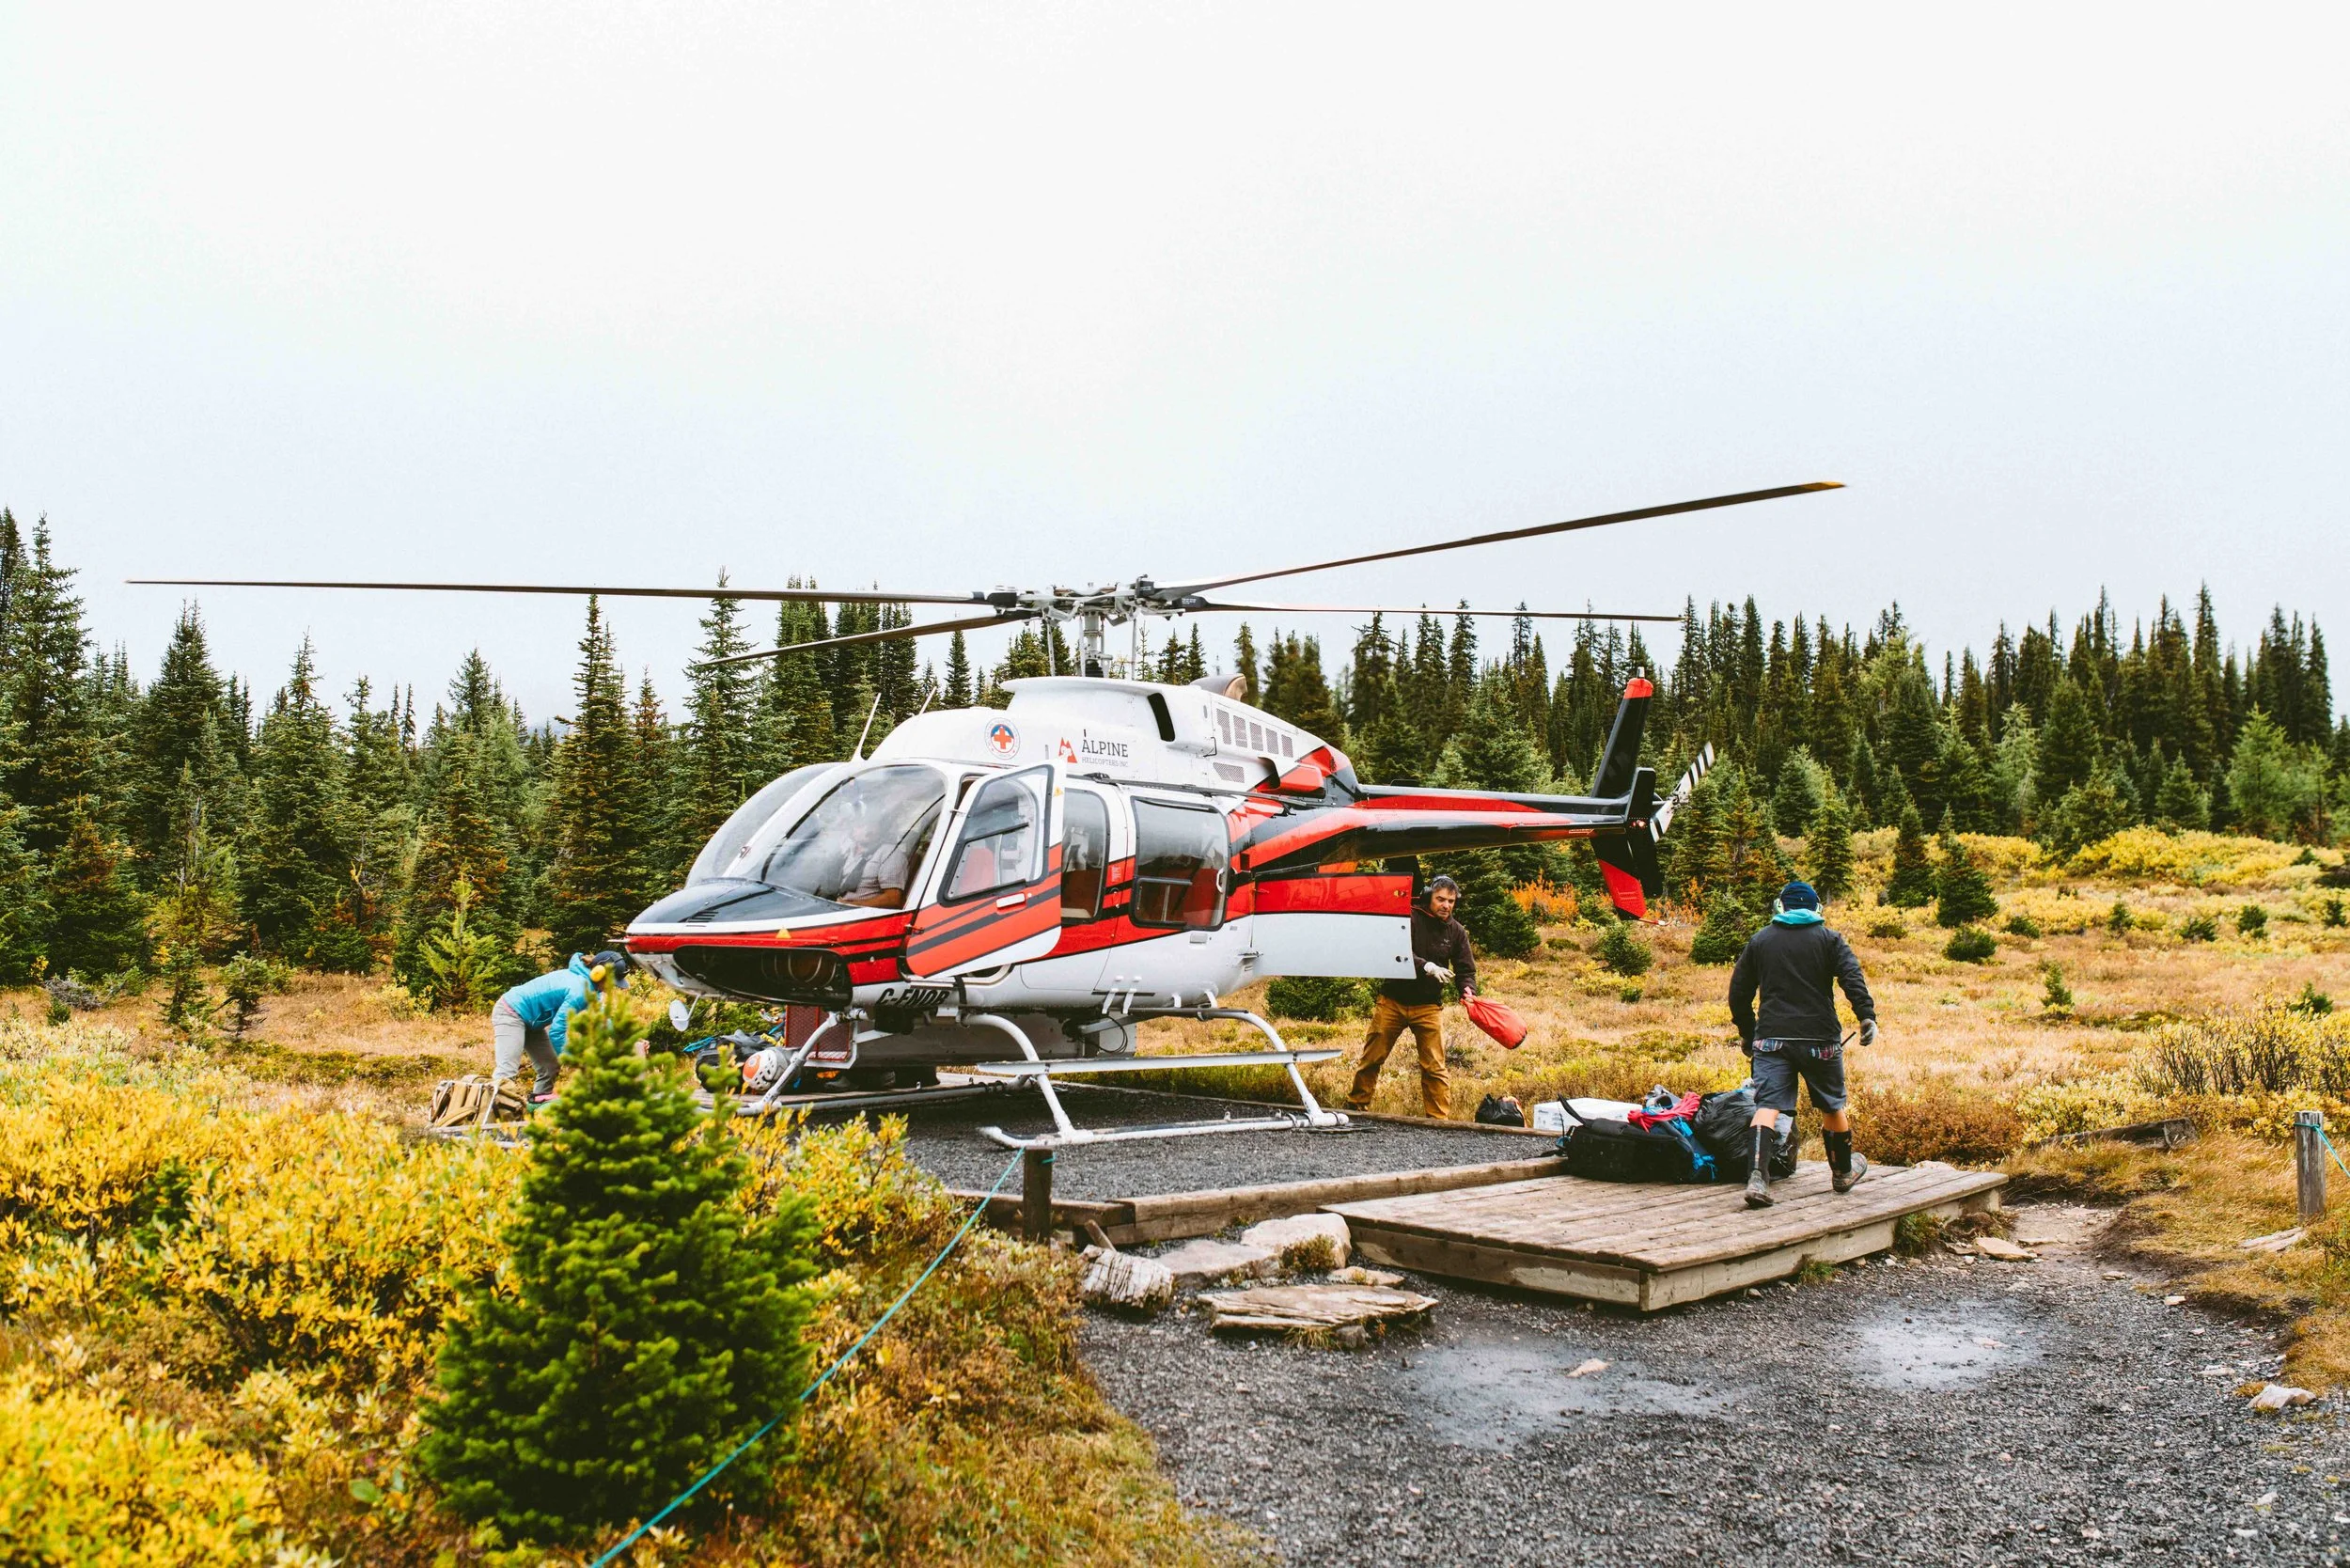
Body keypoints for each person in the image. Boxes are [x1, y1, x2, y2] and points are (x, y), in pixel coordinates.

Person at [1728, 880, 1878, 1206]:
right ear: (1816, 909)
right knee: (1831, 1105)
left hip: (1771, 1039)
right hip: (1819, 1039)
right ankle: (1842, 1173)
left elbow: (1739, 992)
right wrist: (1866, 1016)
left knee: (1766, 1105)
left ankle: (1757, 1179)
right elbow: (1852, 978)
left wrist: (1748, 1032)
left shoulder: (1761, 940)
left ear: (1780, 907)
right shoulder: (1830, 939)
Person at [1346, 873, 1479, 1119]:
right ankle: (1356, 1107)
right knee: (1372, 1058)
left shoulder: (1457, 932)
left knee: (1435, 1067)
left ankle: (1438, 1120)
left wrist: (1468, 990)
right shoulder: (1409, 918)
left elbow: (1466, 969)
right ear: (1430, 897)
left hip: (1428, 1006)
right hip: (1392, 1002)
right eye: (1440, 899)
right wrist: (1426, 966)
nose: (1446, 905)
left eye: (1451, 901)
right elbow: (1396, 950)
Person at [491, 949, 632, 1105]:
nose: (613, 987)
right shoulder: (579, 990)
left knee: (549, 1066)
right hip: (511, 1011)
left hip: (533, 1021)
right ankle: (488, 1118)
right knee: (507, 1071)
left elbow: (602, 1020)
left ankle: (536, 1108)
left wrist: (628, 1039)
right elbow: (557, 1032)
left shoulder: (593, 989)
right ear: (599, 974)